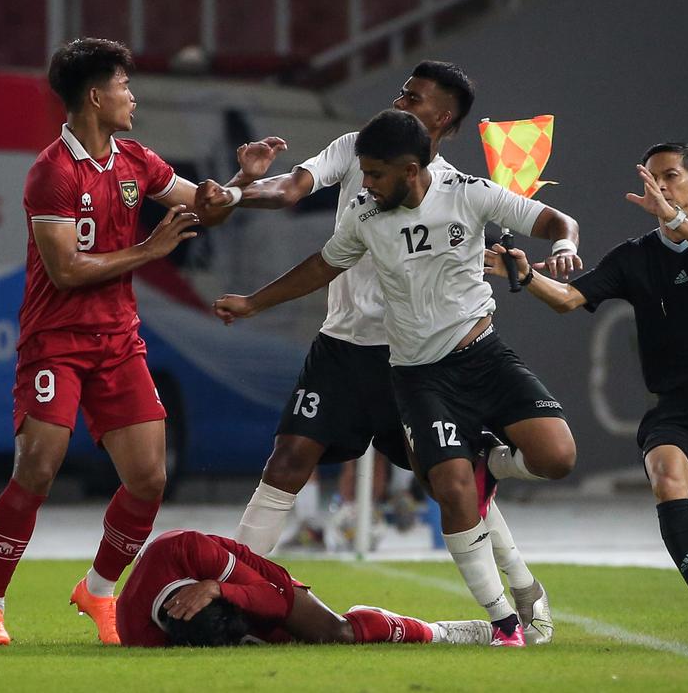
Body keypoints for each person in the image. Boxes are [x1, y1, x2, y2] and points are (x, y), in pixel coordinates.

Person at [199, 63, 570, 644]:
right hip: (343, 346)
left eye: (413, 96)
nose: (399, 100)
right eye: (401, 90)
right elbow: (292, 191)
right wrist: (240, 190)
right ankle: (233, 589)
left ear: (440, 120)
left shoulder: (458, 189)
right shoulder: (356, 147)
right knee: (289, 459)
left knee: (451, 480)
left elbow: (542, 230)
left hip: (414, 359)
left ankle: (522, 590)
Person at [0, 37, 285, 647]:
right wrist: (148, 250)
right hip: (55, 341)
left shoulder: (137, 160)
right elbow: (64, 270)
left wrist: (239, 183)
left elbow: (202, 206)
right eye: (124, 87)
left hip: (118, 341)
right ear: (95, 96)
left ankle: (98, 589)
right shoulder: (51, 173)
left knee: (148, 478)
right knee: (38, 469)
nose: (132, 97)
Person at [484, 142, 688, 647]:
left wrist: (677, 222)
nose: (659, 188)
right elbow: (570, 298)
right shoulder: (634, 257)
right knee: (666, 479)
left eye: (671, 177)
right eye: (652, 179)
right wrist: (524, 276)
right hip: (675, 409)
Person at [116, 529, 493, 647]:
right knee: (280, 644)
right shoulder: (136, 631)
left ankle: (438, 632)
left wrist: (221, 588)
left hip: (255, 580)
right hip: (225, 599)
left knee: (337, 633)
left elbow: (274, 600)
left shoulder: (186, 549)